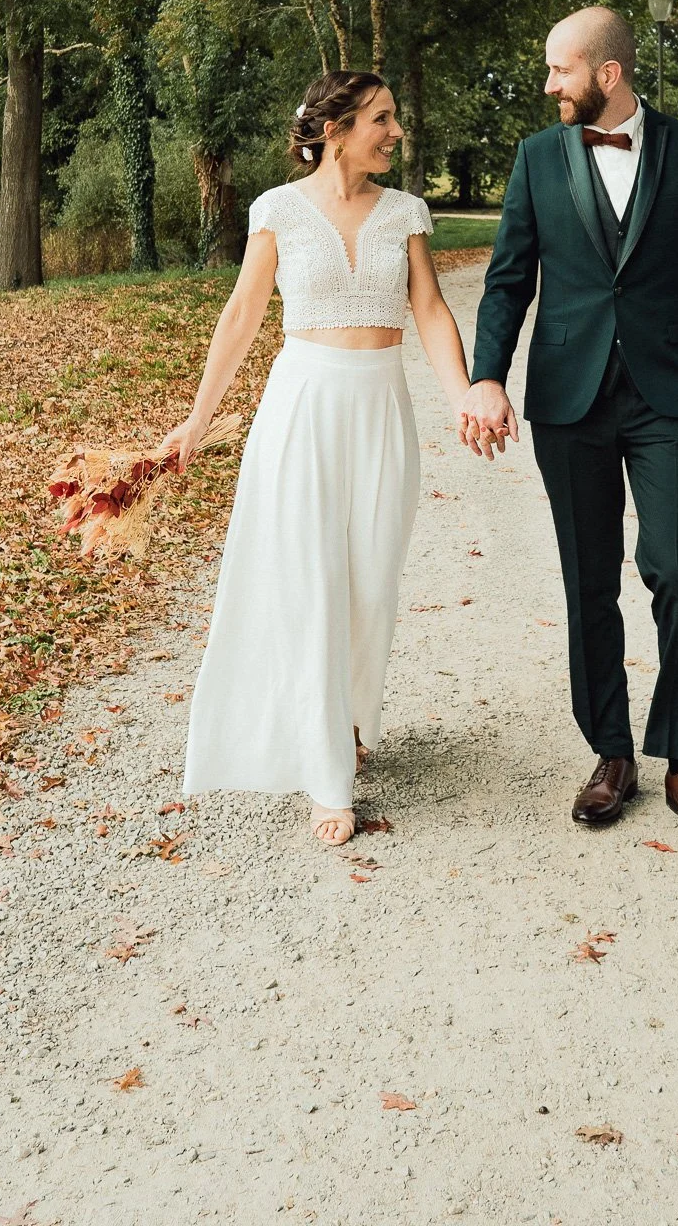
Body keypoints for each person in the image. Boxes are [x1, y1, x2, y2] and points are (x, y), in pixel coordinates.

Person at [461, 7, 678, 849]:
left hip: (670, 395)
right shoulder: (535, 159)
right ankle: (611, 754)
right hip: (571, 396)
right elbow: (506, 281)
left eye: (561, 70)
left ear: (607, 74)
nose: (549, 84)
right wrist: (488, 374)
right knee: (588, 579)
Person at [157, 71, 476, 849]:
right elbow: (241, 316)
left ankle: (349, 719)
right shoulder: (277, 211)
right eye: (381, 119)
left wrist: (465, 394)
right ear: (335, 128)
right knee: (314, 585)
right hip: (300, 409)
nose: (395, 133)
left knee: (370, 582)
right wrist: (197, 422)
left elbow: (429, 309)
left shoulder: (405, 213)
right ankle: (327, 770)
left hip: (380, 411)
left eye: (394, 118)